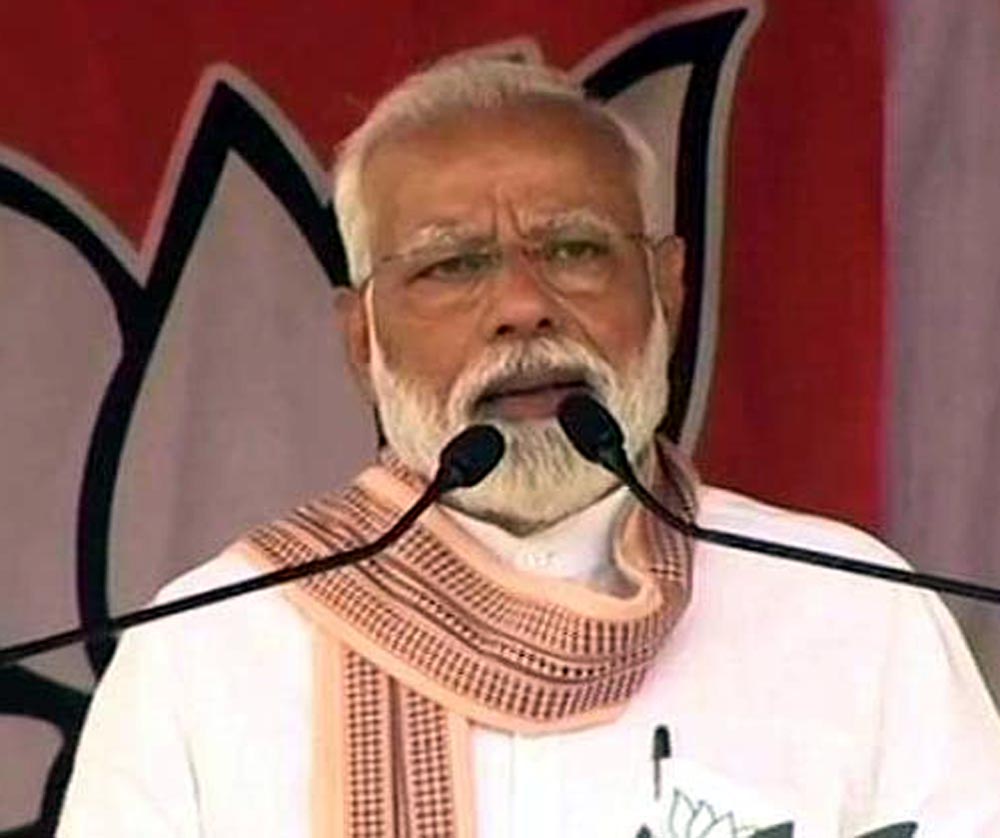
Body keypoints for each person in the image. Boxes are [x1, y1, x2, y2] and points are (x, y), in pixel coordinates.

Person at [58, 57, 1000, 838]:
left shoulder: (849, 613)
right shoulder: (211, 650)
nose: (521, 308)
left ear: (667, 291)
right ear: (362, 338)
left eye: (575, 250)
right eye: (452, 265)